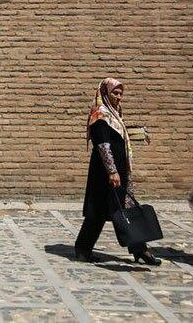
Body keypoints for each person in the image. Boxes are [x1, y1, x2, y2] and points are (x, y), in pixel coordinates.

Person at [74, 78, 161, 266]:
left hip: (117, 170)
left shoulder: (114, 114)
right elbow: (103, 145)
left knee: (117, 209)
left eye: (121, 93)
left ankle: (137, 250)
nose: (119, 97)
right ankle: (138, 249)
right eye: (115, 93)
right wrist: (112, 171)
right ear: (105, 92)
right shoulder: (100, 115)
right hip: (105, 172)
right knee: (111, 210)